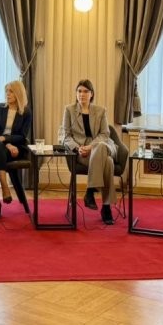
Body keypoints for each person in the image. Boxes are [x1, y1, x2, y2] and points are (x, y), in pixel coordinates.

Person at [62, 79, 117, 225]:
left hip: (100, 147)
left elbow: (105, 134)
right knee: (108, 163)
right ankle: (106, 207)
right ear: (76, 93)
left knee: (101, 147)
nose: (82, 94)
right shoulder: (69, 110)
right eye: (79, 91)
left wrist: (91, 146)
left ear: (91, 94)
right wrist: (78, 148)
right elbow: (65, 136)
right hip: (82, 153)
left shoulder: (100, 110)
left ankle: (91, 190)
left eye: (86, 91)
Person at [0, 80, 32, 218]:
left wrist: (6, 140)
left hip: (15, 149)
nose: (7, 94)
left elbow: (22, 136)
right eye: (6, 91)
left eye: (11, 91)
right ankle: (5, 187)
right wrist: (7, 144)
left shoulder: (26, 112)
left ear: (18, 93)